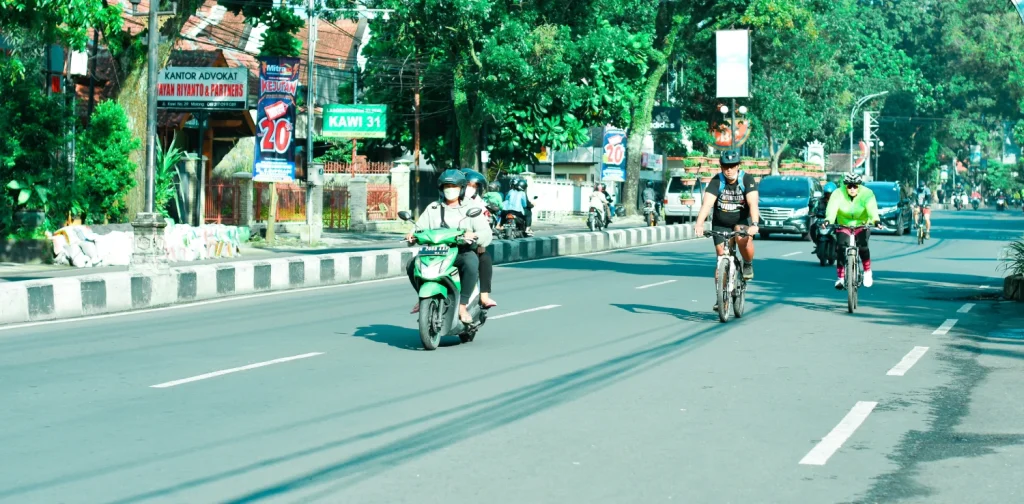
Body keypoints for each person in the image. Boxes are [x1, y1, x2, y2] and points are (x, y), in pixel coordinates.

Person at [406, 169, 493, 323]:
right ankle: (422, 298)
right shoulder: (433, 208)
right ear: (441, 188)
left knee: (471, 263)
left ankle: (462, 305)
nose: (450, 190)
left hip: (460, 251)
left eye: (454, 186)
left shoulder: (471, 208)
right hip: (435, 251)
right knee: (412, 265)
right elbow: (418, 228)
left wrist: (474, 235)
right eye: (446, 186)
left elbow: (485, 233)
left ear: (461, 189)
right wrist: (411, 236)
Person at [694, 150, 760, 310]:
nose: (729, 170)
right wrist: (699, 224)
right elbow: (707, 204)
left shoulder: (747, 179)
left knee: (743, 238)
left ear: (738, 165)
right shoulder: (717, 181)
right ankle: (720, 297)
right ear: (721, 166)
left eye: (732, 166)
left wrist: (755, 224)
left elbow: (753, 204)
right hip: (720, 223)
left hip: (741, 221)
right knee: (720, 259)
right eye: (725, 166)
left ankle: (748, 263)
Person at [822, 172, 882, 290]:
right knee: (841, 248)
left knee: (863, 247)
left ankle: (867, 272)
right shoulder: (838, 194)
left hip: (862, 224)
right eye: (849, 186)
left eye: (855, 186)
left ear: (859, 186)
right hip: (843, 224)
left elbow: (872, 209)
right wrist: (828, 220)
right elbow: (832, 209)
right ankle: (840, 278)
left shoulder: (867, 193)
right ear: (845, 186)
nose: (852, 189)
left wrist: (876, 221)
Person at [460, 168, 498, 308]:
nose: (471, 189)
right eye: (468, 185)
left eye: (474, 186)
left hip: (468, 244)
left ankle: (484, 296)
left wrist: (479, 240)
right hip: (446, 245)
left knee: (485, 257)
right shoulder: (444, 202)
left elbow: (485, 228)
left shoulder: (479, 204)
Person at [811, 181, 838, 251]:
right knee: (813, 228)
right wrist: (812, 212)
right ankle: (817, 243)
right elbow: (814, 208)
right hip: (822, 220)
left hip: (834, 221)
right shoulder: (820, 201)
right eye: (827, 194)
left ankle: (839, 246)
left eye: (830, 194)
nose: (829, 196)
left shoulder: (838, 201)